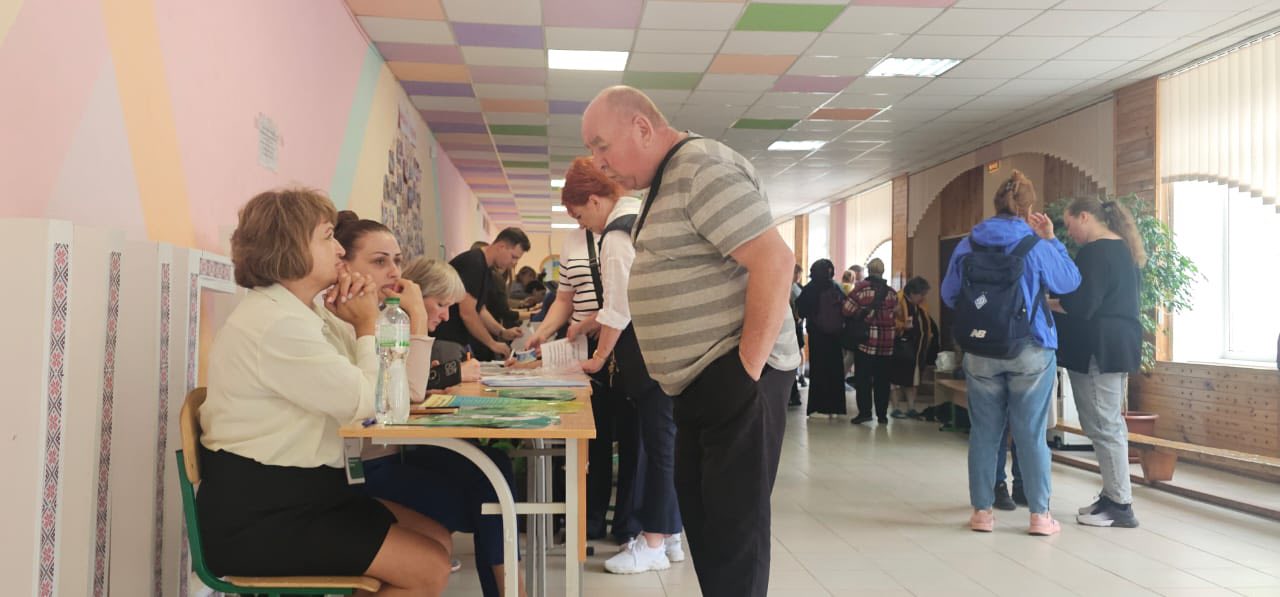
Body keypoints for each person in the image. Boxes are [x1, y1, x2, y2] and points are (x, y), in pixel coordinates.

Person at [582, 85, 800, 597]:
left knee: (733, 533)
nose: (598, 162)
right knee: (706, 524)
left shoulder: (700, 168)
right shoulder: (666, 180)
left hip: (734, 374)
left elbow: (775, 261)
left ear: (641, 127)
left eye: (601, 146)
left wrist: (744, 371)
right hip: (697, 381)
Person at [197, 188, 451, 595]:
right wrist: (367, 326)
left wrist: (365, 321)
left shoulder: (305, 314)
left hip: (309, 494)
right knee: (429, 568)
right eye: (328, 236)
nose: (339, 249)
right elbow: (373, 405)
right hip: (263, 513)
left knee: (436, 540)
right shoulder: (277, 326)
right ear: (291, 245)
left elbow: (390, 390)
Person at [322, 214, 524, 596]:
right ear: (343, 265)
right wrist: (414, 313)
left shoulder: (373, 320)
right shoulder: (354, 324)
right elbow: (410, 395)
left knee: (493, 473)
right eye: (379, 261)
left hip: (384, 455)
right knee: (487, 496)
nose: (394, 272)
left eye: (397, 261)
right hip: (360, 470)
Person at [561, 156, 686, 574]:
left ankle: (653, 542)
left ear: (595, 201)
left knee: (659, 447)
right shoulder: (644, 215)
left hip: (650, 354)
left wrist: (597, 358)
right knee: (664, 445)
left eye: (581, 216)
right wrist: (586, 324)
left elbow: (619, 308)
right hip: (672, 348)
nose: (584, 226)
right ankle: (669, 535)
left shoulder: (616, 235)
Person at [941, 170, 1081, 536]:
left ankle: (982, 513)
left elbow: (949, 295)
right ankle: (1039, 516)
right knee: (1030, 434)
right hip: (1030, 349)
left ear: (996, 204)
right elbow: (1069, 282)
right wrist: (1052, 240)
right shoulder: (1035, 245)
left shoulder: (968, 243)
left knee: (984, 433)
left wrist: (984, 311)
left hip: (980, 351)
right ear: (1029, 208)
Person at [525, 225, 642, 544]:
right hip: (583, 347)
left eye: (578, 208)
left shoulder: (627, 231)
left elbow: (628, 298)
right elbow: (564, 298)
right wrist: (543, 332)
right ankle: (591, 517)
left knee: (633, 436)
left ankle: (628, 524)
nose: (575, 216)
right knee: (592, 435)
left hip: (626, 345)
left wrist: (596, 323)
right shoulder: (574, 240)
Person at [1050, 197, 1146, 528]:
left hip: (1097, 348)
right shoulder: (1123, 249)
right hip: (1117, 346)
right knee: (1106, 424)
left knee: (1104, 426)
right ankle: (1111, 495)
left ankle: (1120, 504)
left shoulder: (1096, 251)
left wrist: (1049, 303)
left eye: (1070, 224)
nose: (1071, 233)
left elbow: (1082, 305)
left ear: (1085, 217)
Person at [434, 229, 529, 361]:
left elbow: (481, 310)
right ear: (501, 246)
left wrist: (502, 332)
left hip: (458, 340)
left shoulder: (486, 268)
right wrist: (492, 343)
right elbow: (467, 313)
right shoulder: (474, 263)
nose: (514, 263)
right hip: (447, 338)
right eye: (514, 257)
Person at [846, 258, 898, 425]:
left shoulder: (861, 290)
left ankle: (865, 413)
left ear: (869, 270)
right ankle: (882, 415)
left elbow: (846, 310)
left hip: (866, 342)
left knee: (863, 379)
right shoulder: (892, 293)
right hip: (887, 344)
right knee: (883, 380)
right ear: (882, 271)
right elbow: (895, 313)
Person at [796, 259, 847, 417]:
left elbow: (801, 310)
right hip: (836, 336)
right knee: (835, 371)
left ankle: (818, 408)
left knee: (819, 370)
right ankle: (836, 408)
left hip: (817, 335)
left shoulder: (810, 288)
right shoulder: (837, 287)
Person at [889, 276, 939, 419]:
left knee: (914, 379)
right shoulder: (899, 301)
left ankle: (911, 407)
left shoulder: (920, 304)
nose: (923, 297)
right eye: (921, 294)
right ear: (912, 293)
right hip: (901, 347)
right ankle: (896, 408)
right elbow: (891, 321)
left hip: (918, 348)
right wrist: (903, 326)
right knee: (896, 378)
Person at [790, 263, 806, 406]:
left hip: (796, 325)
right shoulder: (793, 288)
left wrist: (798, 317)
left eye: (799, 274)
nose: (798, 276)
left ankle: (800, 374)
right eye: (796, 273)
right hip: (794, 325)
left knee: (798, 351)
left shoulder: (797, 288)